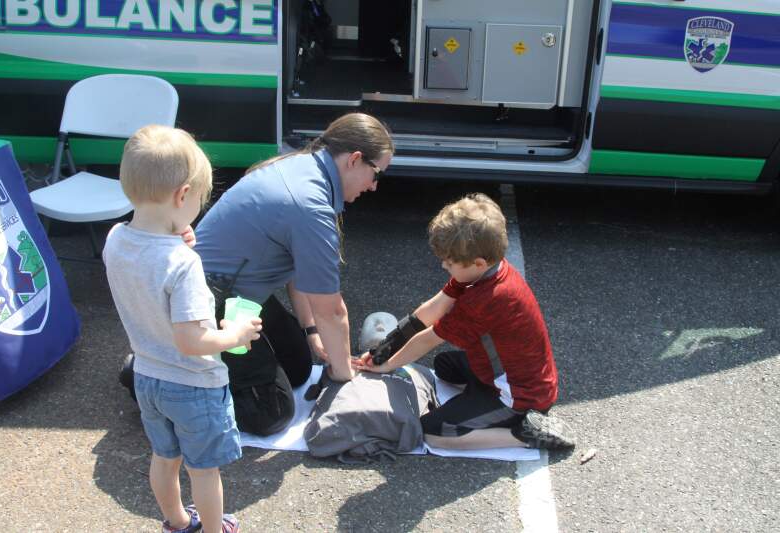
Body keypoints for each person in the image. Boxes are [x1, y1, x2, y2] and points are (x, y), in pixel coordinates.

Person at [103, 125, 262, 533]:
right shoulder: (183, 264)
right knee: (204, 471)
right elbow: (192, 341)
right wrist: (237, 334)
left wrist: (176, 236)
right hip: (194, 385)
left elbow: (147, 265)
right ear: (181, 195)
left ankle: (176, 521)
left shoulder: (115, 239)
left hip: (148, 376)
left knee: (164, 458)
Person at [194, 113, 394, 435]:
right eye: (376, 174)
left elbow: (300, 271)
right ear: (355, 160)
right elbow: (332, 310)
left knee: (300, 368)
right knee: (269, 413)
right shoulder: (310, 205)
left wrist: (311, 330)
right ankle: (163, 372)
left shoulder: (306, 168)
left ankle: (196, 357)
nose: (373, 186)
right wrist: (345, 377)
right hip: (211, 299)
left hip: (239, 293)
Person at [356, 193, 575, 450]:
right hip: (517, 374)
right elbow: (433, 307)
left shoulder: (486, 297)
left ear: (478, 262)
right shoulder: (485, 271)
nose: (444, 266)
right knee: (445, 366)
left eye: (449, 263)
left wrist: (388, 366)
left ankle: (523, 433)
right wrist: (387, 346)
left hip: (521, 395)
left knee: (431, 433)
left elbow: (430, 338)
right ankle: (482, 403)